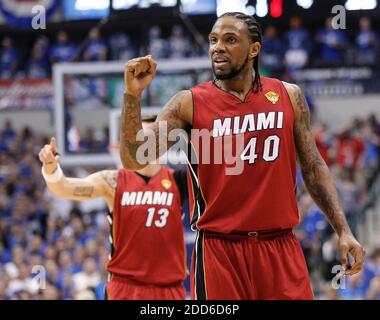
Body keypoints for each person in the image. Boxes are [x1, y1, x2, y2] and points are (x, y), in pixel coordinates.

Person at [120, 12, 365, 300]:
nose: (217, 47)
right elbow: (134, 158)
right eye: (213, 40)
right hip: (219, 251)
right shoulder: (188, 103)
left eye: (230, 40)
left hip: (280, 247)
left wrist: (343, 230)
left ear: (254, 49)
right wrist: (132, 96)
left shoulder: (288, 96)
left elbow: (312, 167)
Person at [38, 118, 188, 300]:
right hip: (126, 288)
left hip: (168, 289)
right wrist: (51, 168)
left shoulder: (178, 181)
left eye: (152, 136)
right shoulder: (114, 181)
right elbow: (63, 187)